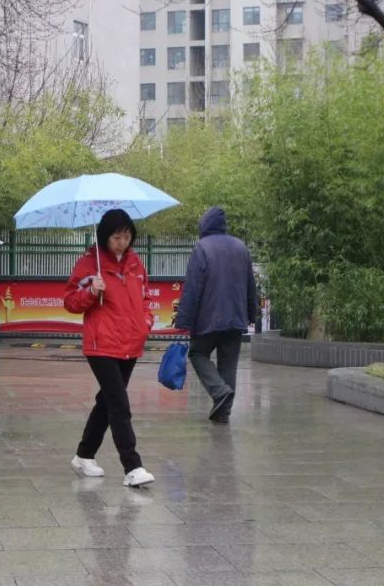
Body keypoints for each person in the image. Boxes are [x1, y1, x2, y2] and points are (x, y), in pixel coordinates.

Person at [64, 209, 156, 488]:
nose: (122, 242)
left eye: (127, 236)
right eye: (117, 236)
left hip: (130, 342)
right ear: (105, 236)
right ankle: (132, 465)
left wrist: (146, 322)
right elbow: (70, 301)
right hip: (101, 344)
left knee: (107, 402)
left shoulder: (136, 264)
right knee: (119, 405)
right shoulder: (89, 264)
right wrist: (91, 292)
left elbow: (145, 297)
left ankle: (84, 454)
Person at [175, 207, 258, 424]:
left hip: (208, 318)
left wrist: (184, 320)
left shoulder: (202, 247)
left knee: (197, 353)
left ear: (204, 225)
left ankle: (219, 392)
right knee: (228, 363)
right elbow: (251, 285)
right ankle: (223, 413)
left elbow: (193, 287)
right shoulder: (241, 247)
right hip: (236, 318)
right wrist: (252, 313)